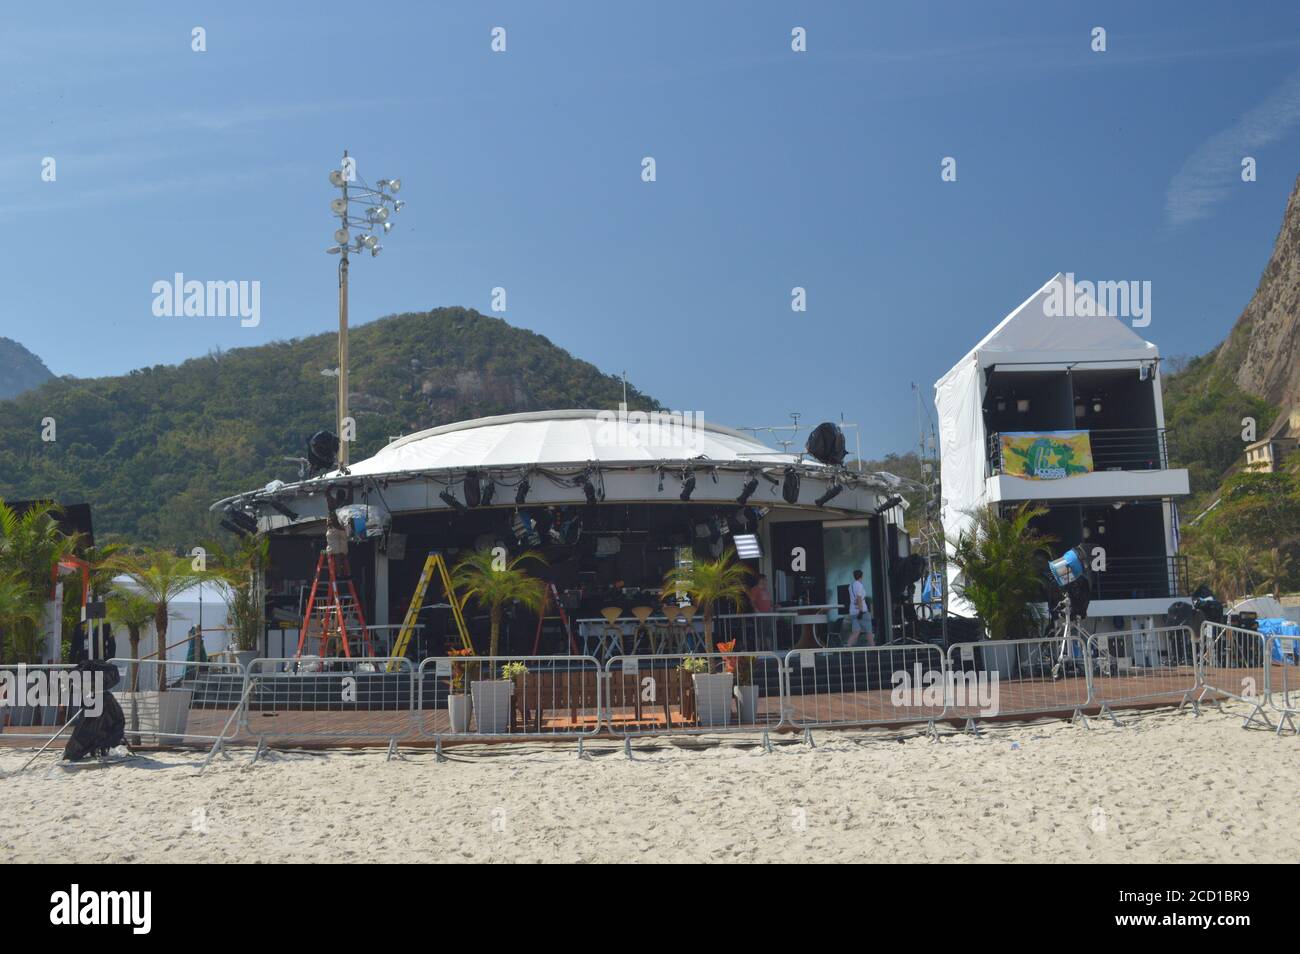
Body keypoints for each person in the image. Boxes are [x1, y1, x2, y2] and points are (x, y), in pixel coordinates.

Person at [847, 569, 873, 647]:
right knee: (868, 630)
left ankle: (848, 647)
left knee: (856, 631)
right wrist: (861, 610)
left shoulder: (850, 586)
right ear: (861, 576)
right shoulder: (859, 585)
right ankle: (873, 647)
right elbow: (859, 598)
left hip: (853, 611)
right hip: (861, 611)